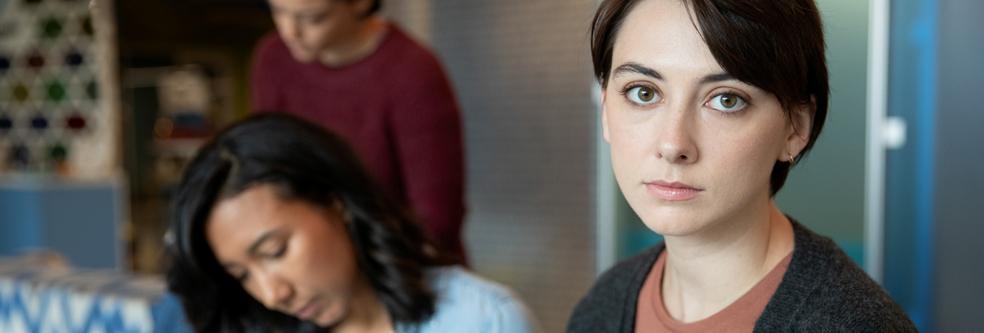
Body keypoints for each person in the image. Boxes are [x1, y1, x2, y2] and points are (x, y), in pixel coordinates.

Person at [567, 0, 916, 332]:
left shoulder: (854, 324)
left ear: (795, 128)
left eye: (726, 99)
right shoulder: (602, 307)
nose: (673, 145)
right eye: (643, 92)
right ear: (605, 110)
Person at [165, 113, 538, 333]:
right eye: (241, 275)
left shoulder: (482, 321)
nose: (272, 293)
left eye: (274, 251)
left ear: (336, 202)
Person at [251, 0, 467, 263]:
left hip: (401, 266)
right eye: (278, 11)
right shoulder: (273, 57)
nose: (289, 31)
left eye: (314, 19)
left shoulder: (413, 70)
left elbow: (436, 220)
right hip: (307, 266)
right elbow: (264, 171)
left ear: (361, 4)